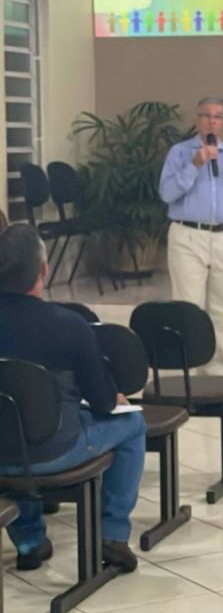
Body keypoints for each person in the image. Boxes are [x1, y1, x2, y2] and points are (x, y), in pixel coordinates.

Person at [0, 224, 146, 572]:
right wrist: (115, 397)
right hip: (55, 451)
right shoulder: (68, 325)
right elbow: (102, 402)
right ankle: (112, 535)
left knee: (15, 426)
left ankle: (29, 541)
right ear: (43, 269)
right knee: (133, 424)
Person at [159, 96, 223, 374]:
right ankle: (187, 373)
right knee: (188, 308)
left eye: (218, 116)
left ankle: (215, 371)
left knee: (222, 309)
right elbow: (167, 194)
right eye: (206, 115)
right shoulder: (179, 153)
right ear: (197, 119)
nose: (212, 121)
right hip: (188, 235)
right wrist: (195, 165)